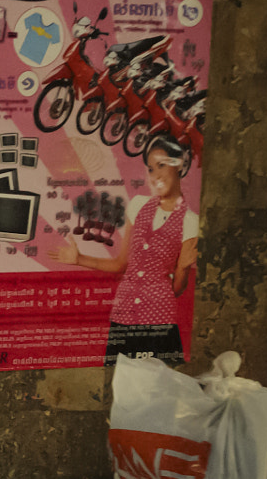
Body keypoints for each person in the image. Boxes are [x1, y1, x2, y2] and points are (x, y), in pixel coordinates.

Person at [50, 137, 198, 363]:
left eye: (162, 165)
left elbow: (176, 289)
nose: (155, 174)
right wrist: (79, 259)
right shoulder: (138, 205)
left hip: (159, 319)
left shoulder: (190, 221)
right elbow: (121, 264)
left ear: (180, 165)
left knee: (159, 387)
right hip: (123, 314)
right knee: (117, 381)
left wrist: (184, 267)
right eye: (150, 168)